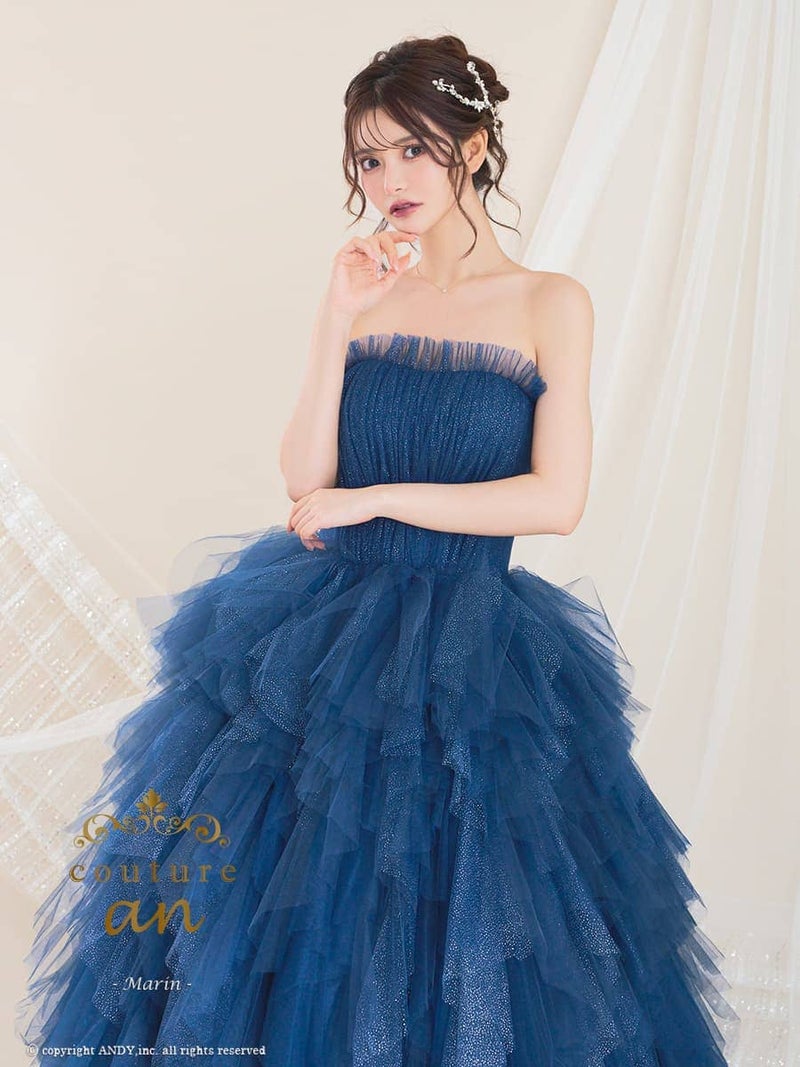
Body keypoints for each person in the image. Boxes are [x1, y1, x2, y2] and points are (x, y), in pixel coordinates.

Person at [17, 33, 740, 1067]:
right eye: (368, 157)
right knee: (300, 913)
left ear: (474, 149)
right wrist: (337, 314)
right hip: (327, 642)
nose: (388, 178)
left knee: (473, 906)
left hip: (475, 646)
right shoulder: (368, 294)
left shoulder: (549, 303)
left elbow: (557, 497)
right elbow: (305, 476)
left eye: (412, 149)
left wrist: (380, 496)